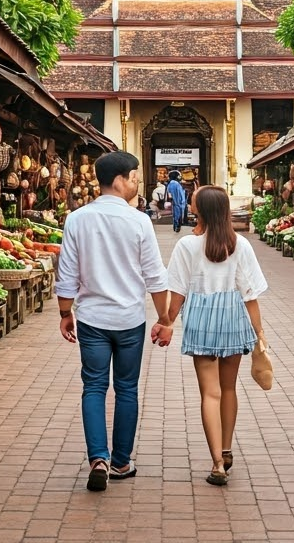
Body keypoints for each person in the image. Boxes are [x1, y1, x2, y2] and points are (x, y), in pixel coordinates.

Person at [54, 150, 170, 493]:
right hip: (129, 319)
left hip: (91, 319)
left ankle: (98, 459)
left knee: (93, 387)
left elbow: (66, 275)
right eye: (134, 176)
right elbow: (155, 278)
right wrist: (164, 318)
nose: (136, 182)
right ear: (119, 180)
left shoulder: (77, 219)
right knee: (127, 389)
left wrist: (65, 313)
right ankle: (121, 461)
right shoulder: (139, 221)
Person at [152, 184, 268, 486]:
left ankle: (217, 462)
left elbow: (177, 291)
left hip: (201, 319)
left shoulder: (187, 246)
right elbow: (250, 295)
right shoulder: (240, 244)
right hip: (233, 317)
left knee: (210, 393)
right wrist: (260, 334)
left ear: (199, 210)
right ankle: (227, 449)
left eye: (192, 201)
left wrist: (167, 321)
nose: (189, 204)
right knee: (229, 389)